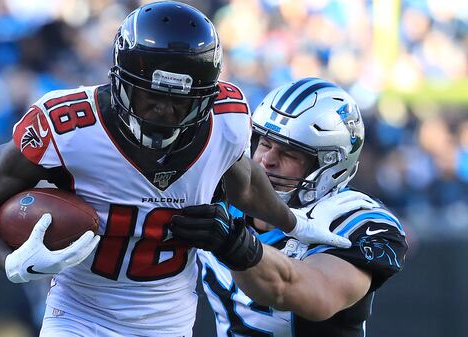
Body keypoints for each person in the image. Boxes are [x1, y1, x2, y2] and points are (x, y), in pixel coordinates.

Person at [0, 3, 350, 337]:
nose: (164, 112)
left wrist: (297, 223)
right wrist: (7, 260)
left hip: (168, 320)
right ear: (121, 81)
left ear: (207, 96)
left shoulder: (228, 121)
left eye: (179, 100)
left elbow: (244, 181)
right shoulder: (69, 125)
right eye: (151, 95)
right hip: (79, 315)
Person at [171, 77, 408, 337]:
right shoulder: (221, 195)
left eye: (289, 154)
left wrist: (235, 245)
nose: (266, 160)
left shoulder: (355, 221)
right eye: (264, 143)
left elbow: (308, 292)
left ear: (330, 166)